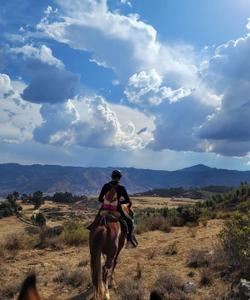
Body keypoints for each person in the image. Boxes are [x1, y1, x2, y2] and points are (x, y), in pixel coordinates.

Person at [89, 170, 138, 248]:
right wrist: (118, 203)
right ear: (119, 178)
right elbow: (128, 201)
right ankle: (129, 240)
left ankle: (91, 230)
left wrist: (106, 202)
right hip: (117, 210)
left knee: (96, 221)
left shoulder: (106, 186)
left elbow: (99, 199)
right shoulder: (121, 188)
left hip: (105, 209)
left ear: (112, 177)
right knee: (130, 222)